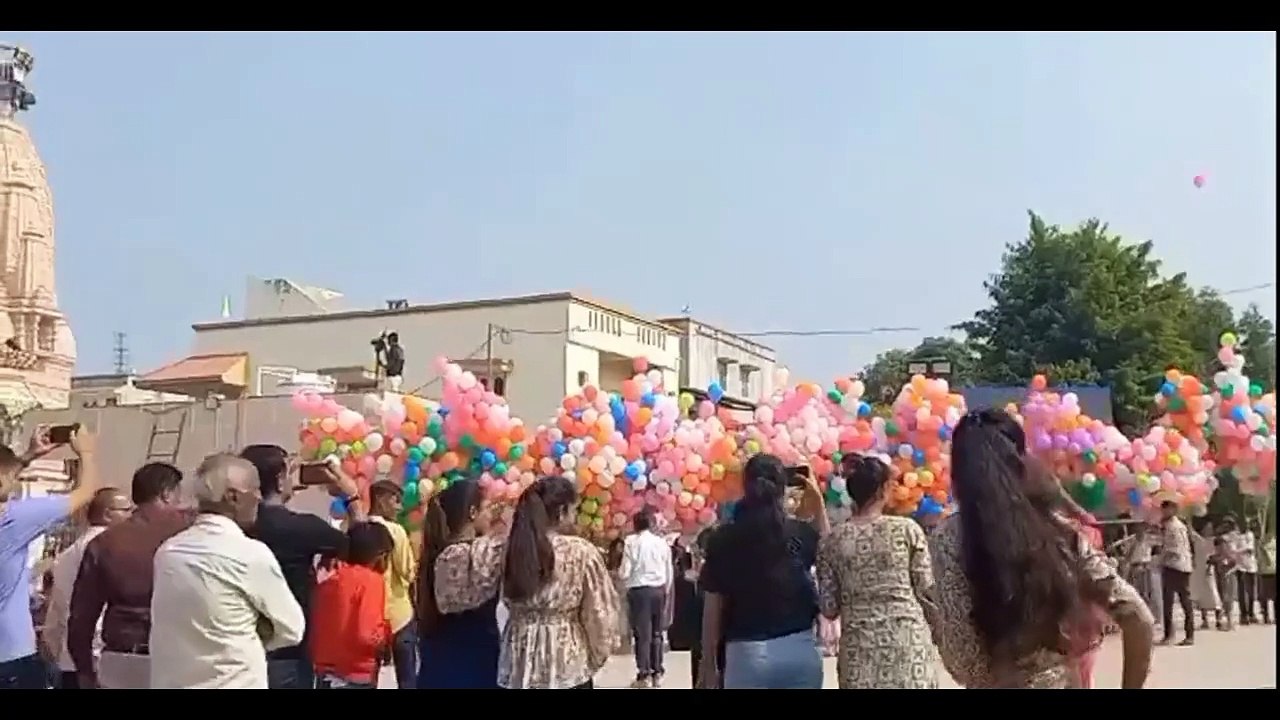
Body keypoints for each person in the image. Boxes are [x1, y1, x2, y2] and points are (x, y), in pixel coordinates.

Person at [929, 408, 1153, 689]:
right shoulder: (1057, 530)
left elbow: (964, 661)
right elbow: (1136, 614)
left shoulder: (948, 540)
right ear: (1021, 461)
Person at [435, 475, 619, 689]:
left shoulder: (505, 549)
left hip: (517, 662)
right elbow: (599, 613)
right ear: (561, 512)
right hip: (567, 663)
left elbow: (454, 573)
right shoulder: (581, 552)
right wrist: (597, 654)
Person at [150, 454, 305, 689]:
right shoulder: (248, 554)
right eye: (255, 489)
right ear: (233, 496)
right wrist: (249, 631)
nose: (259, 497)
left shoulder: (168, 552)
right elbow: (292, 629)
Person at [698, 454, 829, 690]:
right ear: (783, 489)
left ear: (745, 487)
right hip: (799, 649)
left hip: (747, 654)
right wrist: (818, 506)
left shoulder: (723, 539)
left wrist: (708, 663)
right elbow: (830, 554)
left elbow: (713, 606)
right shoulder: (798, 533)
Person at [243, 444, 363, 689]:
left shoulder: (235, 526)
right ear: (278, 480)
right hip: (289, 651)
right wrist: (351, 497)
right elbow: (362, 546)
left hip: (241, 648)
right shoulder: (302, 527)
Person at [816, 453, 940, 689]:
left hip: (859, 655)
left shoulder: (832, 541)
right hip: (908, 647)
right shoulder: (907, 530)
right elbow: (927, 589)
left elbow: (829, 608)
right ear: (883, 490)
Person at [68, 461, 189, 689]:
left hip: (122, 661)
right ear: (166, 494)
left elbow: (82, 616)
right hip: (176, 658)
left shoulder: (104, 543)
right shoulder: (188, 536)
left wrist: (84, 670)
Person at [0, 427, 97, 690]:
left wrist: (27, 457)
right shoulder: (14, 518)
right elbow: (84, 493)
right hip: (11, 656)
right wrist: (86, 453)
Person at [42, 487, 132, 689]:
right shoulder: (109, 547)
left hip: (70, 658)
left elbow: (55, 612)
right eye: (127, 510)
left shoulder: (65, 557)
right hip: (98, 659)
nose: (132, 516)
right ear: (108, 514)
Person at [416, 478, 500, 689]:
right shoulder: (469, 555)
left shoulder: (437, 553)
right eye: (487, 509)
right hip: (472, 662)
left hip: (440, 661)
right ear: (472, 512)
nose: (491, 516)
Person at [311, 522, 393, 689]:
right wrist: (385, 633)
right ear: (380, 555)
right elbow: (367, 634)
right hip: (356, 673)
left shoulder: (330, 577)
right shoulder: (371, 581)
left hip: (326, 672)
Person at [367, 480, 418, 689]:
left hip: (370, 614)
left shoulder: (357, 527)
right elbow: (407, 571)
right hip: (399, 614)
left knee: (371, 675)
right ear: (380, 499)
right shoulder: (395, 531)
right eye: (395, 501)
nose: (399, 507)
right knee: (406, 678)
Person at [619, 505, 673, 688]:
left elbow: (625, 571)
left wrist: (620, 580)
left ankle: (644, 674)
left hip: (639, 590)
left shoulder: (631, 542)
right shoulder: (661, 542)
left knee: (642, 634)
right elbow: (668, 571)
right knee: (657, 633)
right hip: (659, 589)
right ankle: (658, 671)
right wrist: (666, 590)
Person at [1157, 499, 1196, 645]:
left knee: (1179, 601)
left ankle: (1180, 634)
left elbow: (1175, 548)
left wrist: (1160, 558)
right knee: (1174, 601)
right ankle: (1175, 634)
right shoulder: (1176, 525)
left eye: (1166, 510)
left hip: (1176, 566)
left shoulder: (1173, 526)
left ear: (1172, 510)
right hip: (1180, 565)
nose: (1164, 513)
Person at [1189, 519, 1221, 630]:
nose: (1209, 530)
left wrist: (1210, 565)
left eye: (1210, 528)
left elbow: (1214, 556)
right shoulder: (1199, 540)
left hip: (1208, 570)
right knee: (1201, 596)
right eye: (1207, 528)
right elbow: (1191, 532)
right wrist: (1189, 520)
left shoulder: (1213, 541)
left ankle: (1219, 619)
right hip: (1199, 571)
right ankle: (1205, 620)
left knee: (1213, 594)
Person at [604, 537, 631, 654]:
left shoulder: (625, 561)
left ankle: (625, 641)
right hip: (612, 592)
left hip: (623, 591)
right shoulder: (608, 561)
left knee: (624, 616)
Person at [1230, 517, 1259, 625]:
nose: (1246, 526)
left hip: (1251, 566)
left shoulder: (1249, 535)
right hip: (1240, 566)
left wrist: (1239, 551)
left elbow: (1250, 548)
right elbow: (1233, 549)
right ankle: (1244, 614)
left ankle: (1251, 613)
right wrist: (1243, 550)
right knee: (1242, 592)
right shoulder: (1235, 536)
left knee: (1251, 591)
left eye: (1247, 524)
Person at [1258, 532, 1276, 624]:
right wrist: (1263, 550)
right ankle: (1265, 616)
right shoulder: (1261, 543)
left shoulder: (1274, 541)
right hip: (1265, 572)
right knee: (1264, 596)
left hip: (1274, 571)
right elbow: (1261, 558)